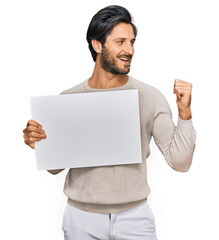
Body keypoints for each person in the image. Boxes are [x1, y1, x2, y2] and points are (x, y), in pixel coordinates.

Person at [23, 5, 196, 240]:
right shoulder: (69, 99)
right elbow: (55, 167)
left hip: (135, 219)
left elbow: (180, 162)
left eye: (132, 42)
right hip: (81, 219)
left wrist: (184, 113)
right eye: (120, 42)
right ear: (97, 45)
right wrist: (39, 141)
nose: (130, 50)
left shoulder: (149, 96)